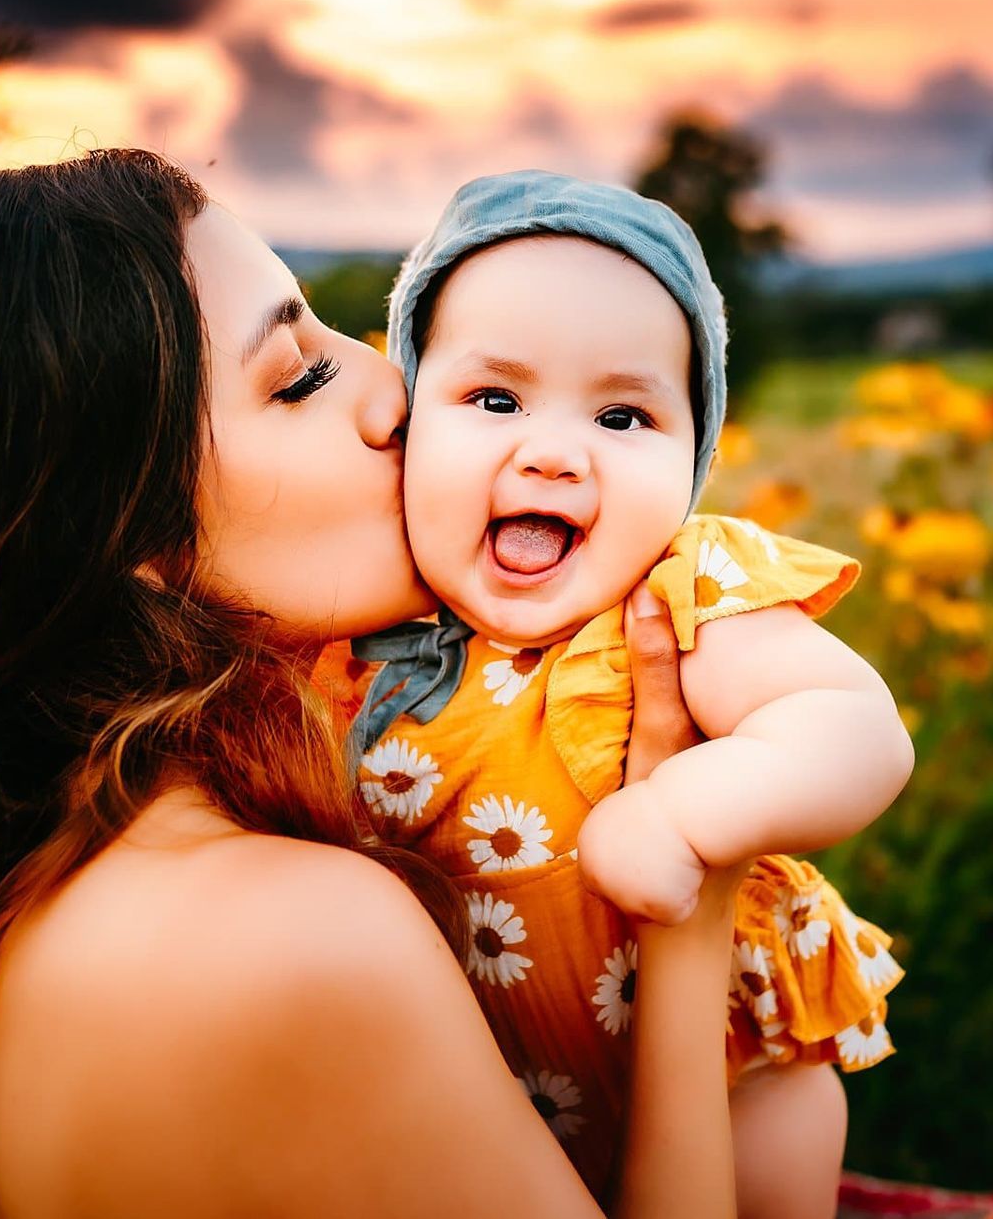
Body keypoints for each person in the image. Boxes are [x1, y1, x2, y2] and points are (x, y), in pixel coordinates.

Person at [0, 148, 742, 1218]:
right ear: (122, 531)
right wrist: (692, 911)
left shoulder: (25, 894)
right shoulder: (296, 937)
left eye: (333, 329)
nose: (393, 393)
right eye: (298, 378)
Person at [340, 171, 916, 1217]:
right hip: (474, 1103)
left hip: (722, 1082)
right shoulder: (359, 624)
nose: (555, 453)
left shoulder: (678, 599)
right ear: (409, 419)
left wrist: (682, 812)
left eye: (622, 414)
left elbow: (856, 729)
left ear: (692, 456)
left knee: (785, 1127)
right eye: (496, 400)